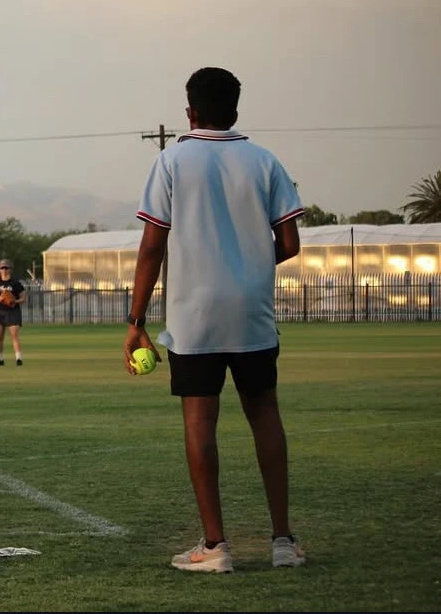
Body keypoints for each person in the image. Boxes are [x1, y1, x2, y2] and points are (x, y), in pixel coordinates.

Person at [123, 67, 305, 573]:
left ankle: (215, 546)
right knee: (265, 414)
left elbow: (152, 246)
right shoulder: (264, 160)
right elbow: (290, 243)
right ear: (236, 110)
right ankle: (283, 542)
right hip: (251, 311)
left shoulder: (171, 161)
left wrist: (135, 321)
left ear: (190, 112)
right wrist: (248, 264)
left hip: (194, 313)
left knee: (200, 421)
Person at [0, 259, 25, 366]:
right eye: (2, 268)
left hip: (13, 312)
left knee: (14, 336)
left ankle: (18, 358)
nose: (4, 270)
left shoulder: (16, 283)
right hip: (0, 312)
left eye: (6, 268)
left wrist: (14, 301)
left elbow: (23, 298)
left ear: (10, 269)